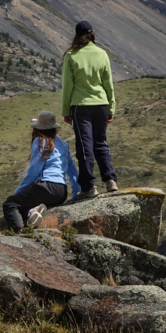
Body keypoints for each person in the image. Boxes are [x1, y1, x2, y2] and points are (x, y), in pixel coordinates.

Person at [61, 20, 118, 199]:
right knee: (100, 143)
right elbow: (108, 83)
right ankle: (110, 181)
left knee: (85, 146)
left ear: (77, 35)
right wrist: (111, 106)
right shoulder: (102, 54)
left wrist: (66, 111)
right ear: (92, 33)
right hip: (101, 104)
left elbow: (67, 86)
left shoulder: (71, 55)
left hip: (81, 106)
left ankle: (89, 187)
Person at [2, 111, 79, 230]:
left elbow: (34, 171)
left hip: (46, 187)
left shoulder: (40, 141)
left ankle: (19, 235)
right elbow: (72, 172)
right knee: (26, 202)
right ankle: (33, 211)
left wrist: (19, 191)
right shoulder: (63, 144)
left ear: (38, 128)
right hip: (61, 192)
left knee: (10, 204)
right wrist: (76, 193)